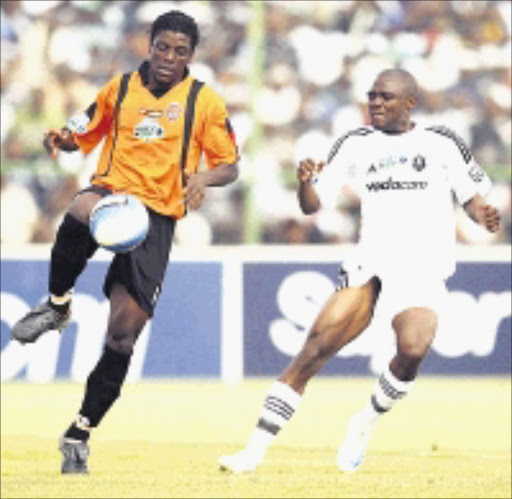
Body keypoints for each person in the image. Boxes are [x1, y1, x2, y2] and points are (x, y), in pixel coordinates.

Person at [218, 68, 501, 474]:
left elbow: (473, 199)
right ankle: (252, 453)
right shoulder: (355, 143)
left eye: (385, 97)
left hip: (421, 271)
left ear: (410, 103)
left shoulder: (442, 143)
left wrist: (483, 215)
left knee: (412, 352)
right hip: (370, 267)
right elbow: (312, 206)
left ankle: (363, 423)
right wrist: (305, 183)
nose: (376, 104)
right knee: (311, 353)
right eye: (372, 97)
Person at [10, 10, 239, 474]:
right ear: (148, 45)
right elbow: (84, 131)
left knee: (122, 335)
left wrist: (203, 176)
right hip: (113, 194)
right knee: (78, 209)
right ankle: (57, 305)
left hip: (156, 220)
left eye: (179, 51)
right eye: (161, 47)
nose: (168, 58)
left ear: (190, 56)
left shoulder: (205, 102)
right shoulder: (119, 89)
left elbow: (231, 164)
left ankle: (79, 432)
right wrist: (63, 138)